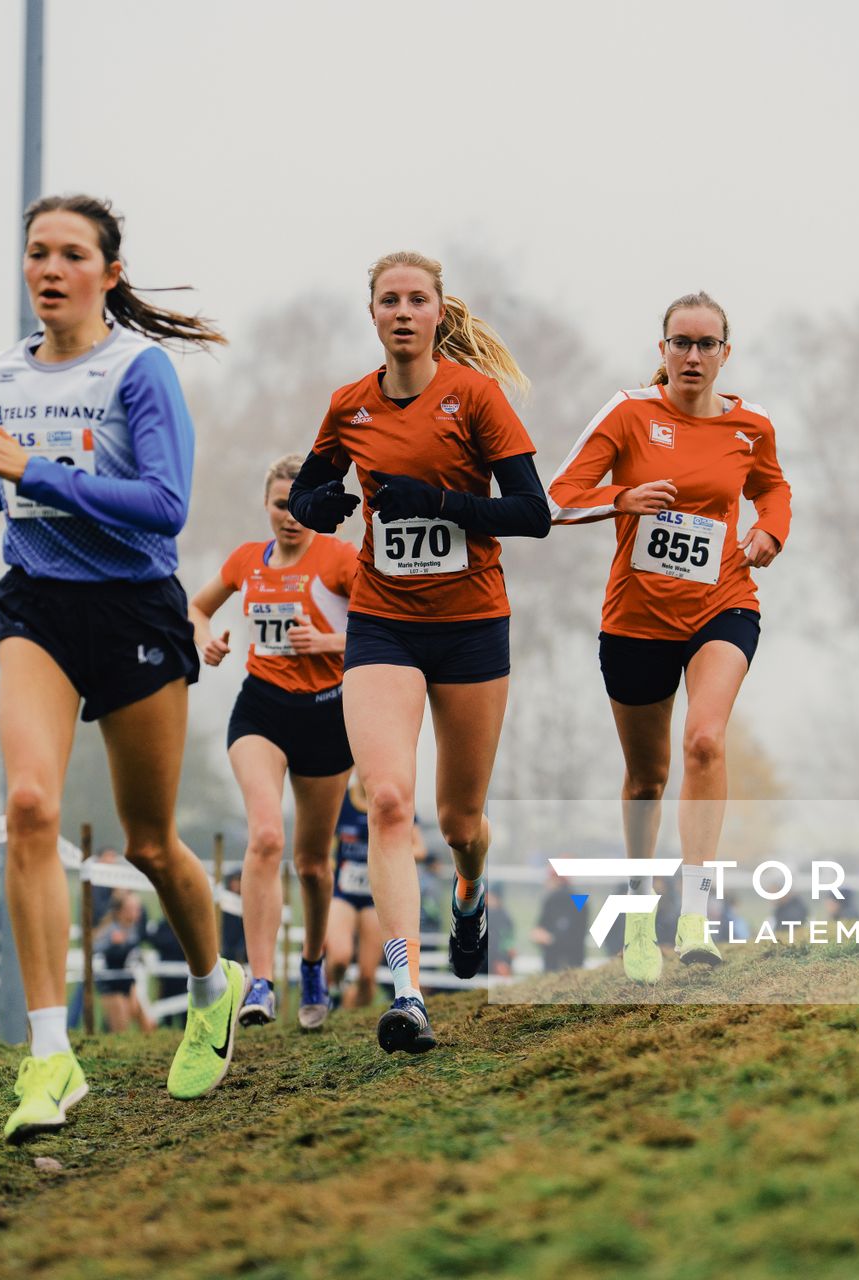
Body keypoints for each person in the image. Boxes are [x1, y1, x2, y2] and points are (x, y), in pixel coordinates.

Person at [0, 193, 243, 1139]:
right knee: (28, 805)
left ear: (109, 273)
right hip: (38, 609)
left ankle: (211, 985)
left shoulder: (139, 371)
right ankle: (49, 1056)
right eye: (38, 253)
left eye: (72, 254)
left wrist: (35, 470)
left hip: (136, 611)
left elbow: (164, 506)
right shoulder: (3, 372)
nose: (51, 268)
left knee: (149, 842)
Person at [285, 251, 550, 1054]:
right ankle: (408, 993)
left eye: (417, 300)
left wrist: (435, 501)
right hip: (383, 623)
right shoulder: (349, 406)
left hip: (471, 624)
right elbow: (307, 491)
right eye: (388, 300)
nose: (402, 312)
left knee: (461, 819)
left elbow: (532, 514)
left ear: (439, 313)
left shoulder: (475, 398)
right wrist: (318, 501)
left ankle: (469, 893)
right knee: (390, 801)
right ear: (372, 315)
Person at [547, 291, 791, 980]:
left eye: (705, 344)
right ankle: (638, 900)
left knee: (706, 740)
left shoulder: (751, 425)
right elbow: (556, 498)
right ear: (662, 350)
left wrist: (771, 531)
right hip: (636, 619)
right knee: (646, 778)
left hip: (724, 602)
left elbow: (774, 488)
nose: (692, 355)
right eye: (680, 343)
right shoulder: (628, 413)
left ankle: (698, 911)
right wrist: (618, 501)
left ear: (724, 353)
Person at [188, 453, 361, 1031]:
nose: (292, 517)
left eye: (303, 506)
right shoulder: (245, 561)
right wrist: (206, 639)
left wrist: (328, 642)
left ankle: (311, 965)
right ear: (266, 505)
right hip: (261, 709)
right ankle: (260, 979)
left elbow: (384, 623)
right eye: (282, 505)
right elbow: (195, 607)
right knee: (265, 836)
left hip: (325, 716)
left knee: (313, 864)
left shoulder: (339, 558)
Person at [324, 773, 392, 1011]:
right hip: (343, 893)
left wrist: (388, 855)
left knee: (366, 977)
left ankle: (346, 1018)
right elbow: (323, 842)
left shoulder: (389, 797)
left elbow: (418, 847)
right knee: (340, 957)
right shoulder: (340, 801)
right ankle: (327, 989)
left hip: (374, 897)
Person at [91, 890, 151, 1034]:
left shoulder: (134, 929)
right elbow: (93, 948)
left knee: (148, 1024)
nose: (137, 913)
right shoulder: (110, 930)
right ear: (120, 911)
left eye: (138, 909)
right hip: (111, 984)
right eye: (132, 909)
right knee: (120, 1029)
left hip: (128, 982)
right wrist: (111, 943)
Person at [532, 868, 587, 973]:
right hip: (575, 965)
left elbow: (569, 932)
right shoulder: (579, 898)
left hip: (561, 964)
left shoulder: (557, 899)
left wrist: (550, 938)